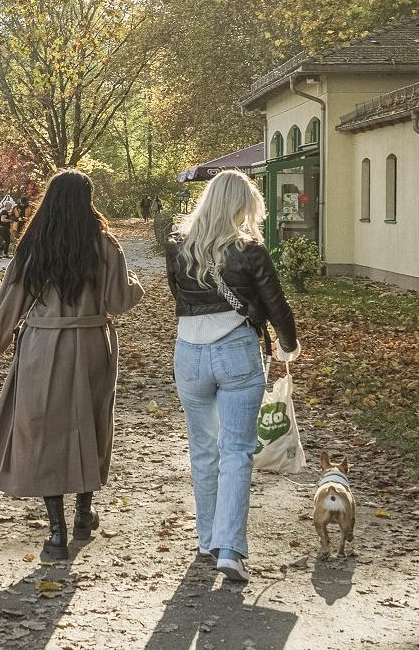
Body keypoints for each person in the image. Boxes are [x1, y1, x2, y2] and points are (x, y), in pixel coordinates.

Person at [0, 170, 143, 561]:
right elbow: (119, 300)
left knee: (44, 431)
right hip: (91, 344)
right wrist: (133, 282)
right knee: (91, 424)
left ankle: (56, 533)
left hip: (43, 347)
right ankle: (84, 514)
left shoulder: (36, 243)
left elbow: (11, 297)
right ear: (87, 200)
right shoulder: (104, 243)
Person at [162, 169, 300, 582]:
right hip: (236, 351)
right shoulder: (250, 249)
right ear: (242, 205)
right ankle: (229, 549)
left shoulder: (178, 248)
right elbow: (276, 303)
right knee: (237, 452)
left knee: (204, 450)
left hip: (188, 353)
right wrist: (287, 344)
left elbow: (178, 296)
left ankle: (206, 539)